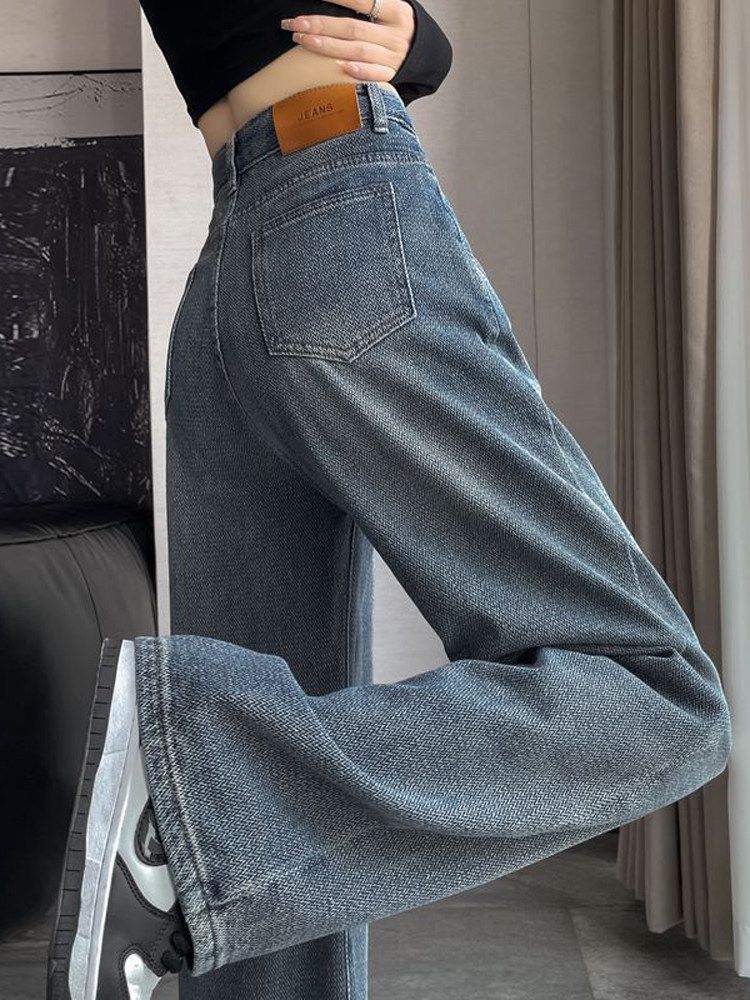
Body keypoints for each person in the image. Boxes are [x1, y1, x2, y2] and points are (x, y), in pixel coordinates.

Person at [46, 2, 733, 999]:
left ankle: (187, 822)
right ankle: (199, 802)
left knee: (277, 923)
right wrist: (427, 47)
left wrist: (423, 43)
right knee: (657, 694)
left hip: (240, 268)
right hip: (339, 222)